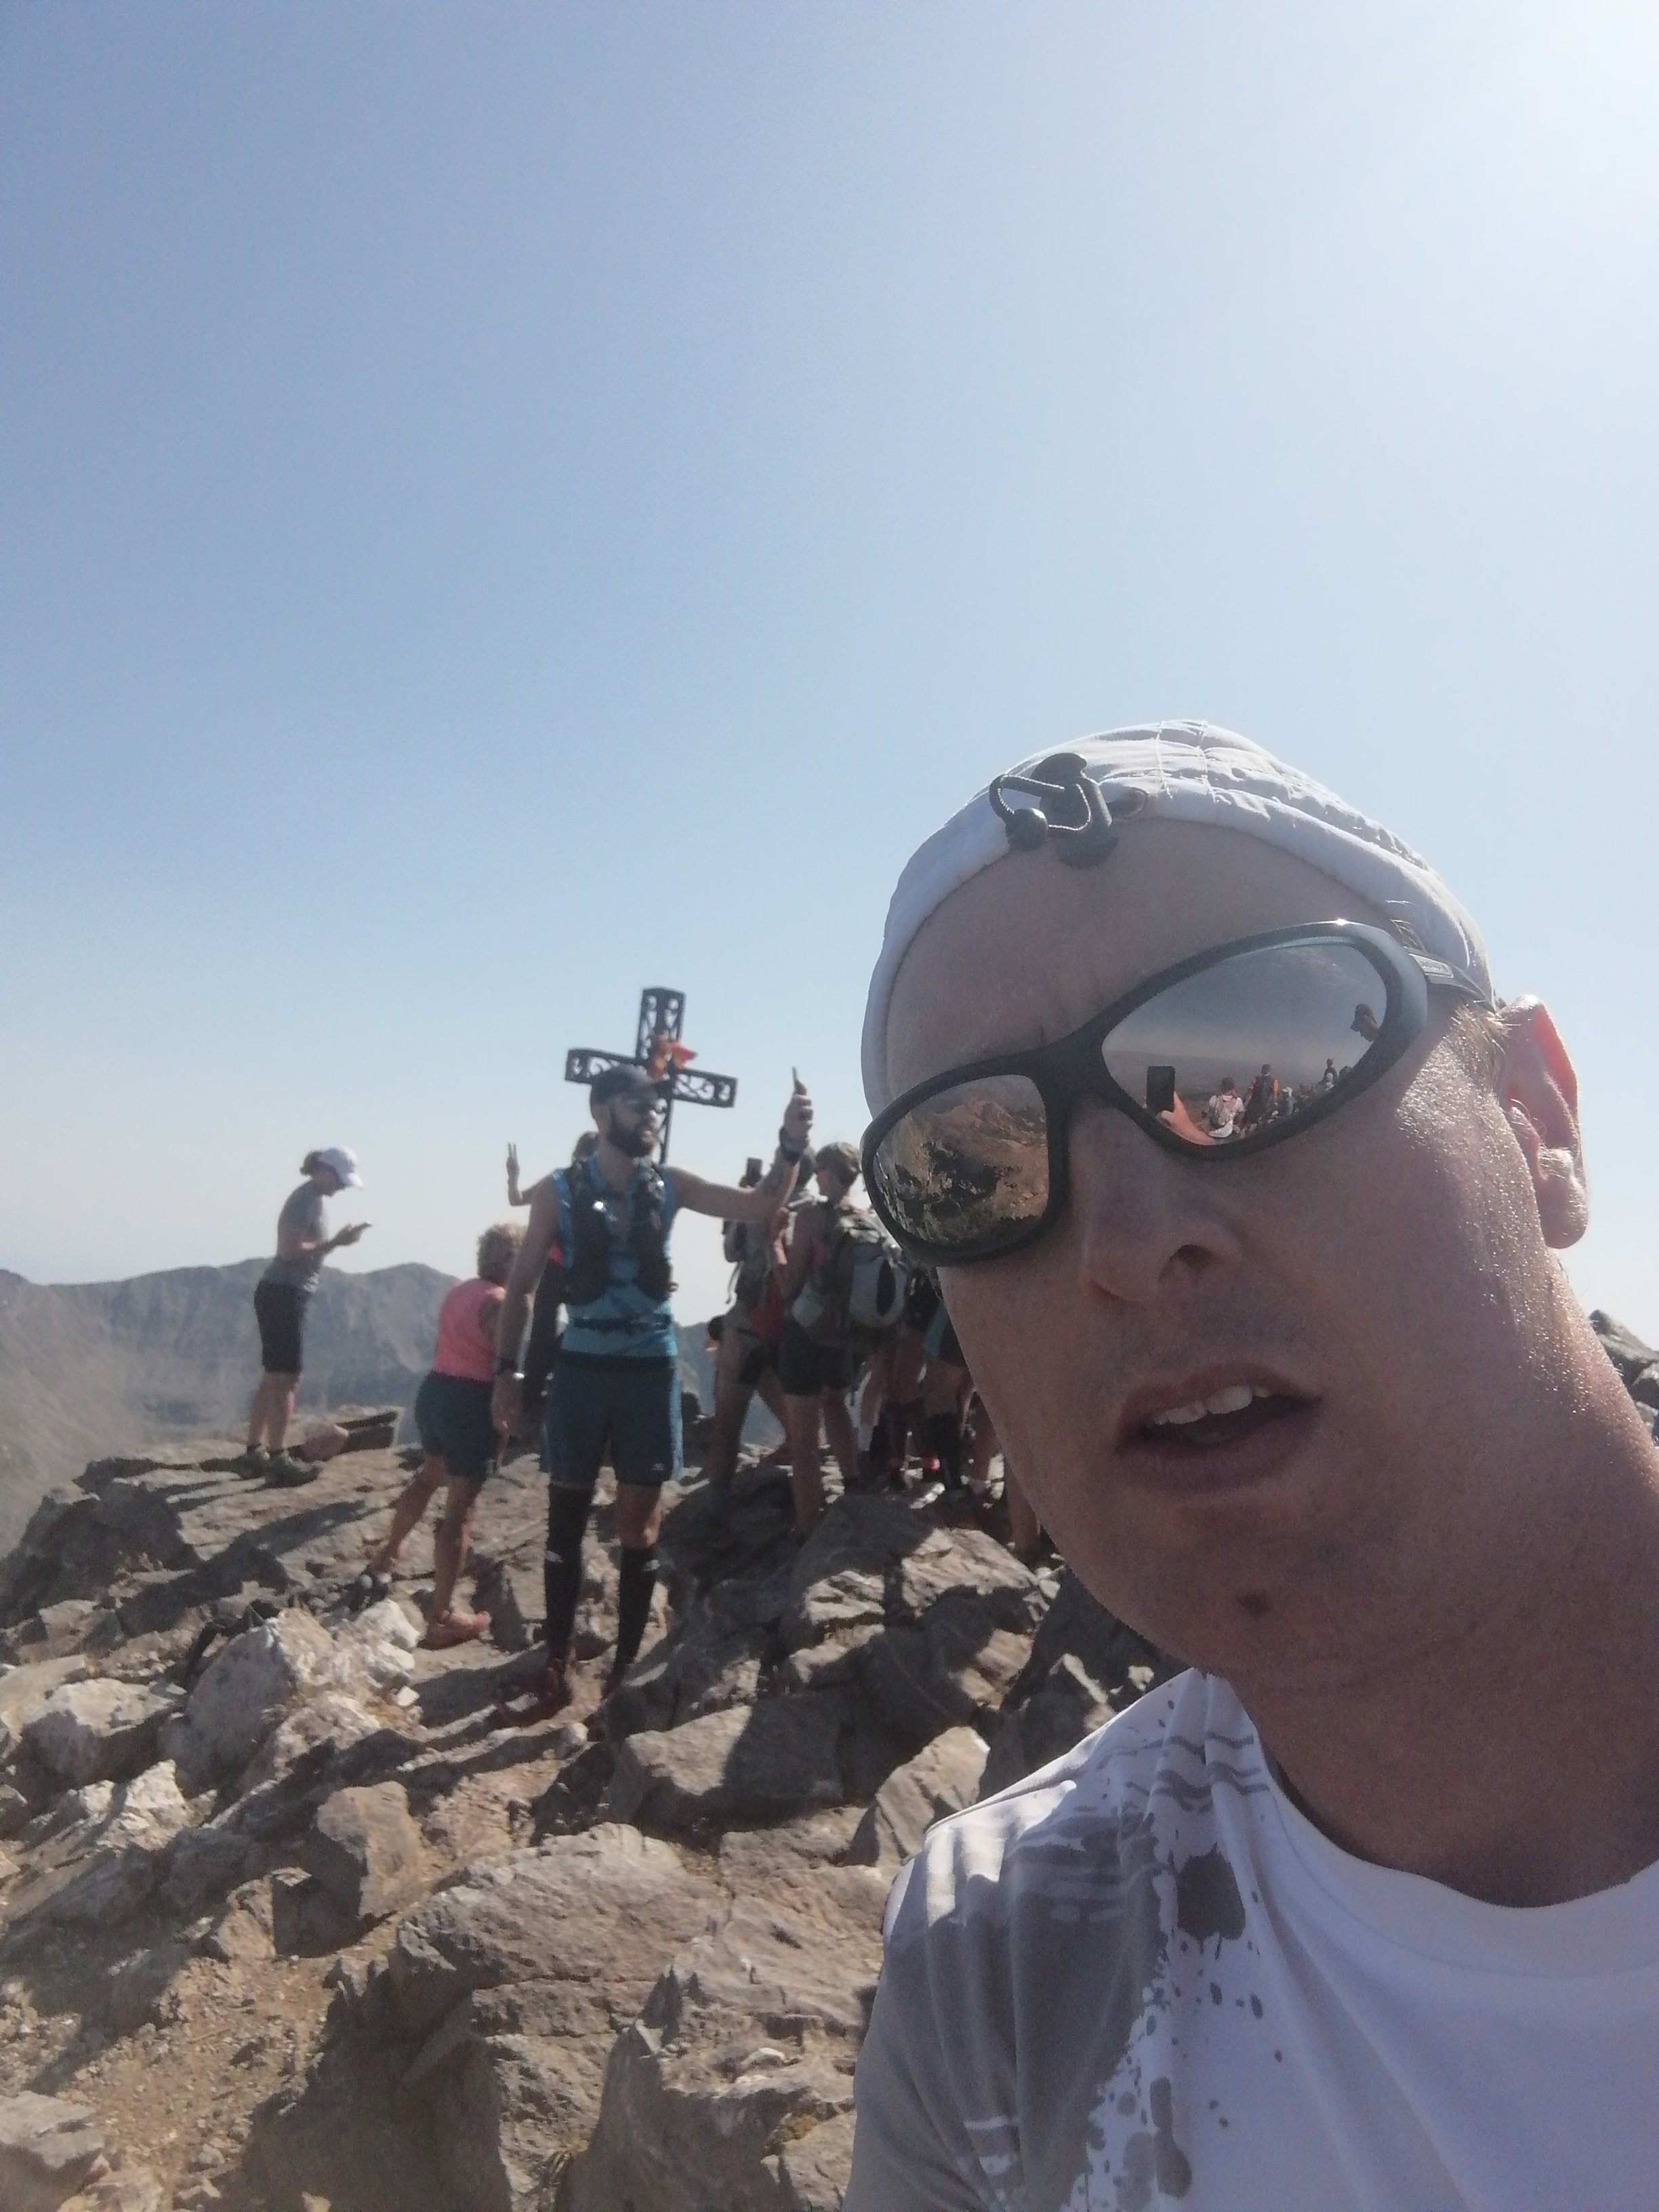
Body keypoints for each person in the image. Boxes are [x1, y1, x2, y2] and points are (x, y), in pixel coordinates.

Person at [844, 721, 1659, 2208]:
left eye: (1254, 1053)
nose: (1126, 1243)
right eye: (973, 1166)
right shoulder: (994, 1979)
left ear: (1537, 1117)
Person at [491, 1065, 813, 1717]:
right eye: (638, 1104)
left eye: (655, 1106)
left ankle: (622, 1673)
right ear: (600, 1110)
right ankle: (556, 1665)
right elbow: (522, 1284)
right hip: (582, 1370)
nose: (652, 1115)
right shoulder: (557, 1191)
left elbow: (760, 1206)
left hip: (647, 1373)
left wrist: (789, 1143)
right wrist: (505, 1372)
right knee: (564, 1522)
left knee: (639, 1528)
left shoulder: (671, 1185)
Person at [351, 1220, 524, 1645]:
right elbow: (502, 1362)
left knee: (429, 1476)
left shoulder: (460, 1291)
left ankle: (387, 1555)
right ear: (509, 1260)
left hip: (436, 1390)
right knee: (460, 1509)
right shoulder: (501, 1302)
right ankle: (442, 1616)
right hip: (471, 1401)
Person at [243, 1147, 369, 1484]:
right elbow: (289, 1251)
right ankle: (278, 1457)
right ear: (325, 1171)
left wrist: (336, 1242)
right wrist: (335, 1243)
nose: (342, 1188)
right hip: (284, 1294)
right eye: (340, 1180)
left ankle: (254, 1450)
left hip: (280, 1293)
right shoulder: (305, 1202)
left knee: (274, 1376)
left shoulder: (311, 1200)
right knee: (287, 1379)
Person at [774, 1139, 874, 1536]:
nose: (815, 1176)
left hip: (805, 1337)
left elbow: (789, 1286)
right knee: (834, 1404)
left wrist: (773, 1243)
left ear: (831, 1173)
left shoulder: (812, 1218)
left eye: (819, 1170)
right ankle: (853, 1487)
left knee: (804, 1445)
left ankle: (808, 1535)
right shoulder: (864, 1218)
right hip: (845, 1338)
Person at [704, 1151, 809, 1511]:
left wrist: (742, 1205)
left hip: (747, 1323)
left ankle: (716, 1504)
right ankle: (802, 1500)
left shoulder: (758, 1207)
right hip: (793, 1329)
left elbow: (730, 1252)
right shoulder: (814, 1214)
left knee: (727, 1420)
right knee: (786, 1398)